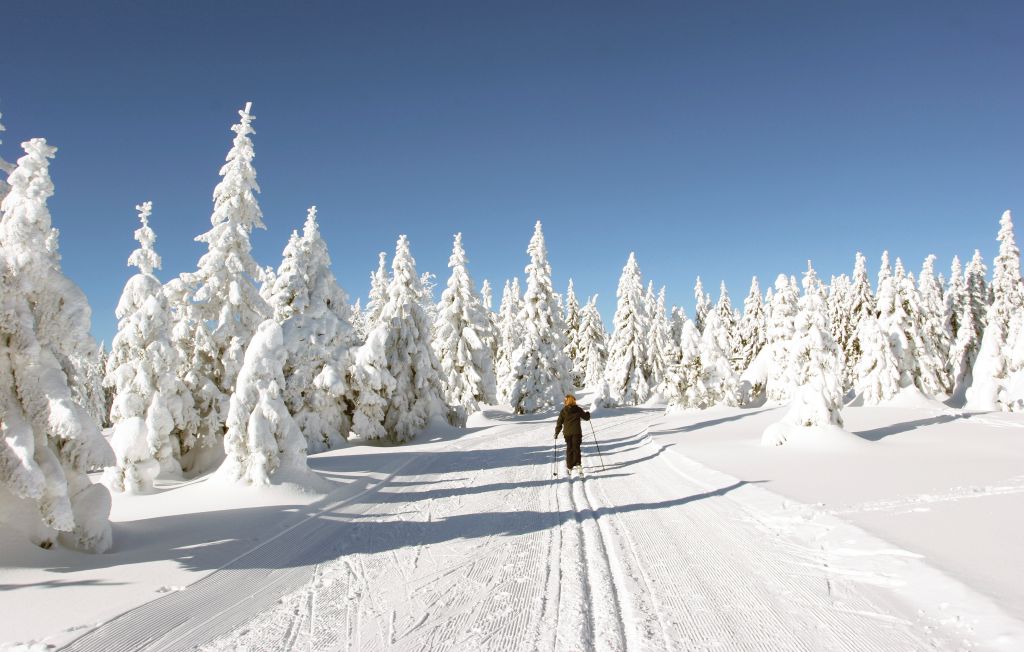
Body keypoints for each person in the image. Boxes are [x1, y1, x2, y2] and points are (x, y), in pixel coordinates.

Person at [554, 394, 591, 477]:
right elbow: (586, 418)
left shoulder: (563, 411)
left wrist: (557, 432)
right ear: (574, 401)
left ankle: (569, 466)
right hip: (577, 432)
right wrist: (588, 414)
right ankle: (578, 464)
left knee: (569, 448)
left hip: (567, 433)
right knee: (576, 448)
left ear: (567, 401)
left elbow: (559, 423)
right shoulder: (578, 409)